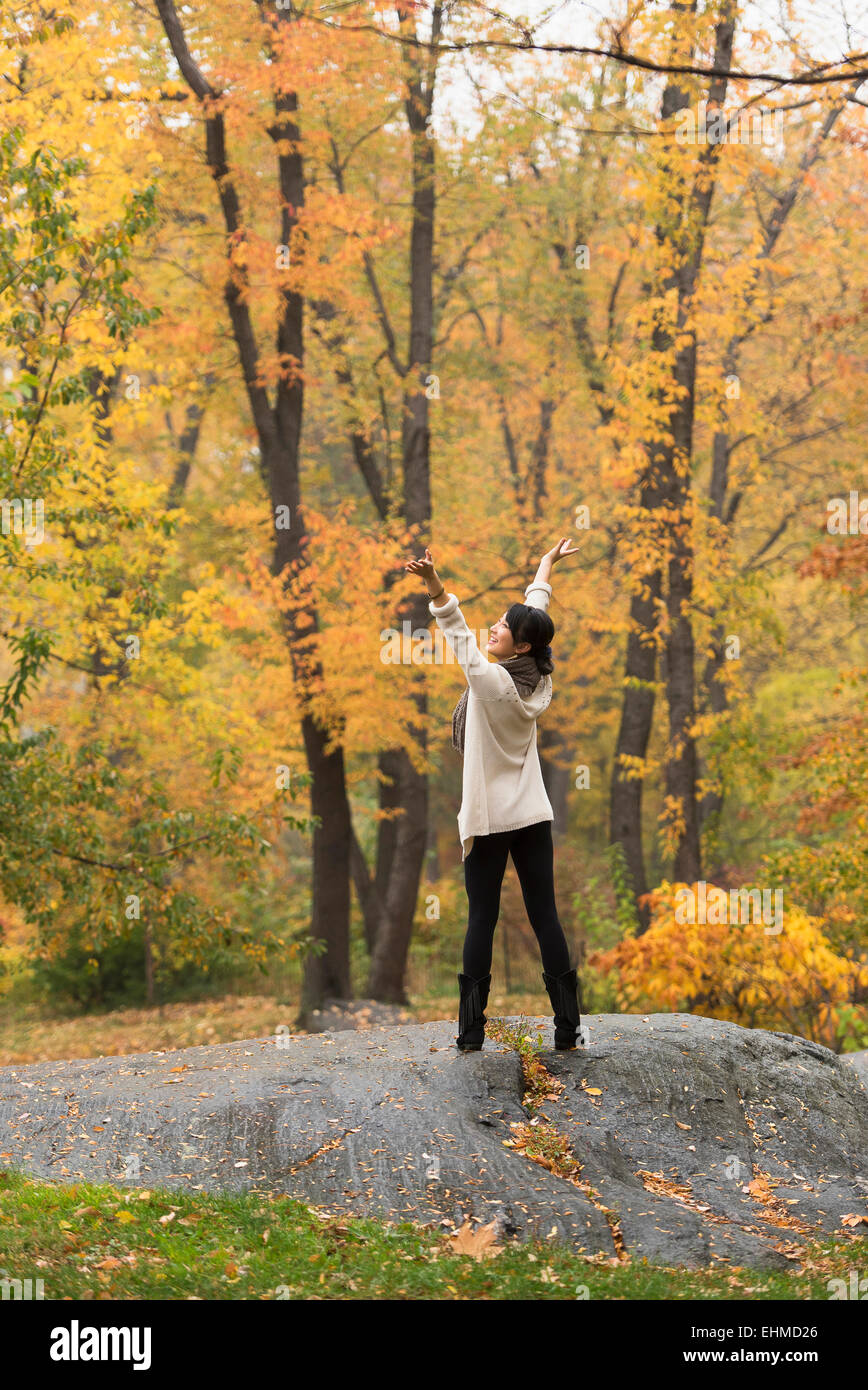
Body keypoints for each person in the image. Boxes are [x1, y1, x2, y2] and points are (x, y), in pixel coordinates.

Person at [404, 539, 585, 1052]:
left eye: (504, 627)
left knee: (481, 917)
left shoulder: (489, 682)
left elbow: (456, 632)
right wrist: (545, 569)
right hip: (531, 814)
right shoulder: (535, 678)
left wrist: (435, 585)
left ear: (520, 646)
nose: (495, 628)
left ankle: (470, 1032)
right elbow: (536, 613)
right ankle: (568, 1028)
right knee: (544, 914)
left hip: (487, 820)